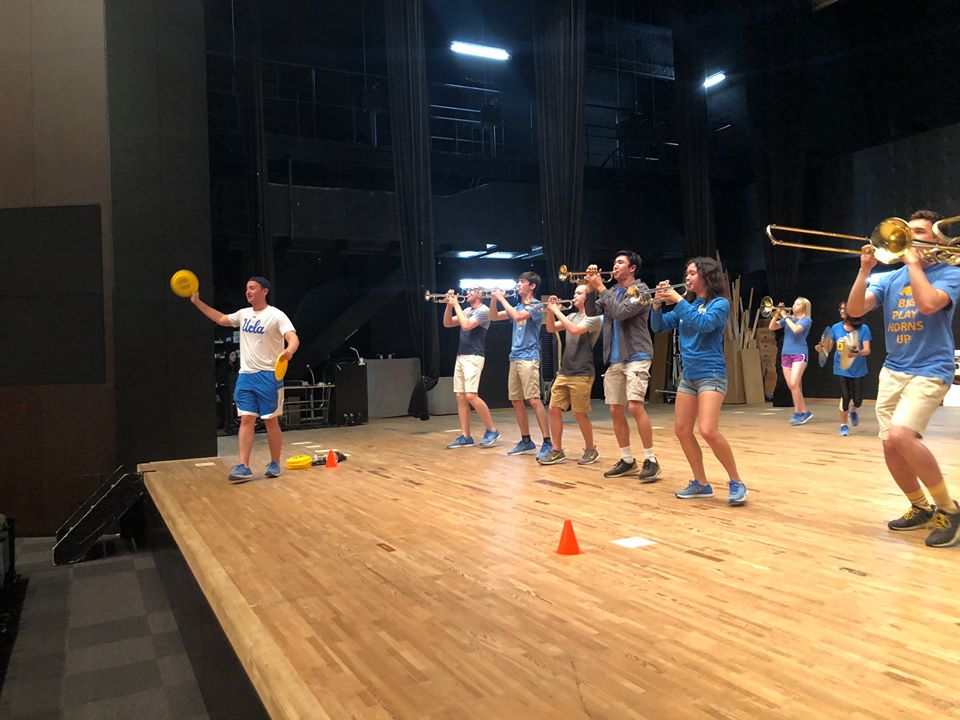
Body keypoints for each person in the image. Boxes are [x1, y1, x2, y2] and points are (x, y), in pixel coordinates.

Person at [846, 209, 960, 547]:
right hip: (893, 370)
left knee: (902, 435)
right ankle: (919, 507)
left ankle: (948, 509)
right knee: (890, 445)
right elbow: (854, 310)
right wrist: (864, 270)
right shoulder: (889, 278)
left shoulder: (950, 273)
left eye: (920, 232)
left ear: (937, 240)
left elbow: (927, 305)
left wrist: (913, 263)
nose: (911, 237)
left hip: (930, 368)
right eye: (907, 232)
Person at [650, 258, 747, 505]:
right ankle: (701, 483)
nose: (687, 277)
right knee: (682, 430)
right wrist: (657, 305)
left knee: (707, 430)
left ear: (706, 276)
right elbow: (659, 326)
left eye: (692, 273)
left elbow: (704, 325)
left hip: (711, 373)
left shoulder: (720, 304)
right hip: (689, 376)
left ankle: (736, 481)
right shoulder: (688, 306)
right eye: (687, 273)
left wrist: (679, 300)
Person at [190, 276, 299, 483]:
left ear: (264, 291)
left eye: (252, 288)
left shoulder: (276, 315)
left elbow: (293, 336)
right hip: (246, 376)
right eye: (246, 288)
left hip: (269, 375)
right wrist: (197, 302)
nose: (248, 291)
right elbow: (221, 319)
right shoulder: (244, 314)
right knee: (246, 419)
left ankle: (275, 463)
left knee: (270, 421)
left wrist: (289, 350)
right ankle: (244, 466)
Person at [584, 251, 662, 480]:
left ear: (632, 268)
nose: (614, 266)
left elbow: (619, 313)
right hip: (615, 357)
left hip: (637, 354)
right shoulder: (611, 291)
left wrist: (600, 288)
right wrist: (590, 290)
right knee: (615, 409)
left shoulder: (642, 290)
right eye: (614, 262)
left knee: (635, 406)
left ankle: (651, 458)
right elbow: (590, 312)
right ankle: (627, 459)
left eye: (620, 263)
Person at [538, 285, 603, 465]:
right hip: (565, 370)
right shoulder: (571, 315)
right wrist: (551, 312)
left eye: (579, 293)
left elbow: (574, 330)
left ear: (588, 298)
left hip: (582, 372)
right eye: (575, 292)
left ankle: (591, 449)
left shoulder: (595, 318)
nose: (574, 296)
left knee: (578, 412)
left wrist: (556, 311)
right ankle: (557, 450)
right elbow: (550, 328)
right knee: (553, 408)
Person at [490, 273, 552, 460]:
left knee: (533, 399)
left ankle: (547, 441)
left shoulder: (537, 306)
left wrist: (502, 298)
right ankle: (526, 440)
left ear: (532, 286)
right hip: (514, 357)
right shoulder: (516, 305)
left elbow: (518, 317)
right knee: (516, 400)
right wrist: (494, 300)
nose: (518, 285)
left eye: (522, 282)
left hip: (529, 357)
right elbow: (493, 316)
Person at [443, 288, 500, 449]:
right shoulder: (467, 309)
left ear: (480, 295)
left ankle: (492, 429)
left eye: (471, 291)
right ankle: (466, 436)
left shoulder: (484, 310)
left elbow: (467, 325)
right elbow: (447, 323)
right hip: (461, 355)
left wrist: (456, 305)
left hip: (474, 356)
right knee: (460, 396)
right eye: (466, 291)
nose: (466, 293)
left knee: (471, 395)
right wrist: (449, 305)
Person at [815, 302, 872, 436]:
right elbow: (827, 348)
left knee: (858, 400)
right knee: (845, 396)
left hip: (858, 369)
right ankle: (843, 425)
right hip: (841, 368)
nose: (841, 310)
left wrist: (857, 353)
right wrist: (821, 348)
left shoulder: (864, 329)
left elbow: (867, 350)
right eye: (840, 308)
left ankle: (854, 410)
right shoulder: (835, 328)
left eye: (844, 308)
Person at [770, 296, 813, 425]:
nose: (794, 306)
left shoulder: (806, 320)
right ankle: (805, 411)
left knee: (794, 383)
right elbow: (772, 327)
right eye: (794, 303)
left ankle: (798, 412)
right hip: (785, 355)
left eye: (798, 304)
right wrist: (777, 314)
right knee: (792, 386)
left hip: (799, 354)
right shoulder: (790, 319)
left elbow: (796, 329)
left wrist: (785, 316)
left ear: (804, 307)